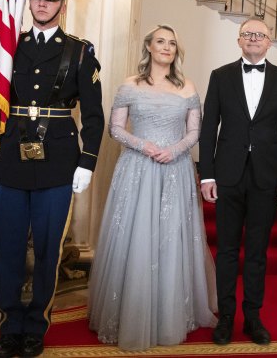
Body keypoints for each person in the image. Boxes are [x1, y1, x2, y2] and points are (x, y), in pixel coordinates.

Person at [0, 0, 104, 357]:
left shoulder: (79, 51)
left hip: (58, 164)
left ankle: (36, 324)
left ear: (63, 3)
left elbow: (94, 117)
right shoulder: (8, 46)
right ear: (28, 1)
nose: (42, 2)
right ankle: (10, 323)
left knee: (47, 248)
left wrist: (87, 163)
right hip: (9, 160)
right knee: (10, 247)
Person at [87, 25, 217, 350]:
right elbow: (114, 128)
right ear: (149, 46)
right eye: (161, 41)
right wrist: (144, 146)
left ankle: (169, 315)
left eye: (172, 43)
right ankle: (132, 313)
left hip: (175, 169)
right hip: (137, 168)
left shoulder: (187, 86)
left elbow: (194, 132)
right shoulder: (130, 84)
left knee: (171, 239)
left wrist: (173, 150)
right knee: (136, 237)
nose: (166, 47)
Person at [200, 17, 277, 345]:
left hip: (267, 177)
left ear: (269, 42)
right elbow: (208, 127)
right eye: (248, 34)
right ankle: (226, 316)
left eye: (260, 35)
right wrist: (207, 174)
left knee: (257, 251)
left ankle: (253, 317)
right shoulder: (220, 76)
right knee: (227, 250)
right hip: (228, 174)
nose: (254, 39)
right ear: (239, 41)